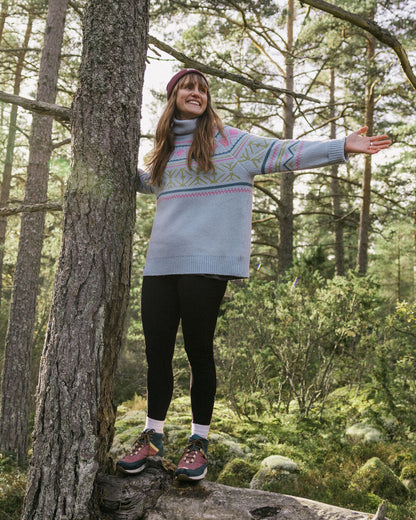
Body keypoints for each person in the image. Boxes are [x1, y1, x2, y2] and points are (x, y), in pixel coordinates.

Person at [116, 69, 391, 481]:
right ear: (173, 97)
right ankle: (152, 435)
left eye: (203, 89)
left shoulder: (231, 143)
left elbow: (287, 151)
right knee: (157, 353)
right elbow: (144, 182)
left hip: (206, 265)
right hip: (160, 264)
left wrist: (341, 146)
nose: (197, 93)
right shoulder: (163, 150)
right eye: (189, 87)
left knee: (198, 352)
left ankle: (198, 442)